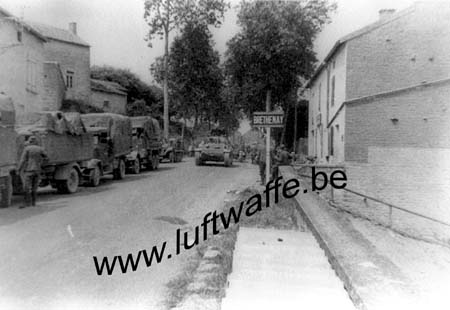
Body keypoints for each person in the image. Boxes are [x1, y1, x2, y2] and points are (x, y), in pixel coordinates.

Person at [18, 136, 48, 208]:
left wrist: (18, 169)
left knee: (26, 187)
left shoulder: (27, 149)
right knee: (34, 187)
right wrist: (41, 164)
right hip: (37, 170)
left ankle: (27, 203)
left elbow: (22, 160)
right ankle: (34, 203)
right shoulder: (40, 149)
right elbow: (47, 158)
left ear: (29, 142)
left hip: (29, 170)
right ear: (36, 141)